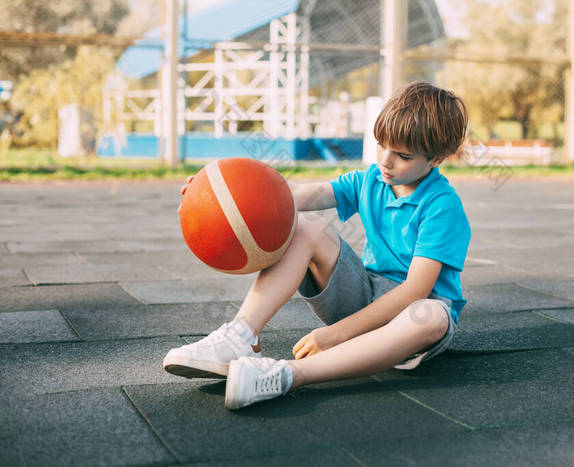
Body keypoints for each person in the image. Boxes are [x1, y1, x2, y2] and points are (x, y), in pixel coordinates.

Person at [163, 81, 471, 410]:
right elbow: (301, 197)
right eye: (381, 145)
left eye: (403, 156)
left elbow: (414, 292)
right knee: (305, 226)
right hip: (366, 294)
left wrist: (337, 333)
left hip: (410, 316)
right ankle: (240, 336)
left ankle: (284, 375)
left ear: (436, 158)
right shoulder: (372, 179)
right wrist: (219, 201)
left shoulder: (442, 206)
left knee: (433, 318)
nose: (386, 160)